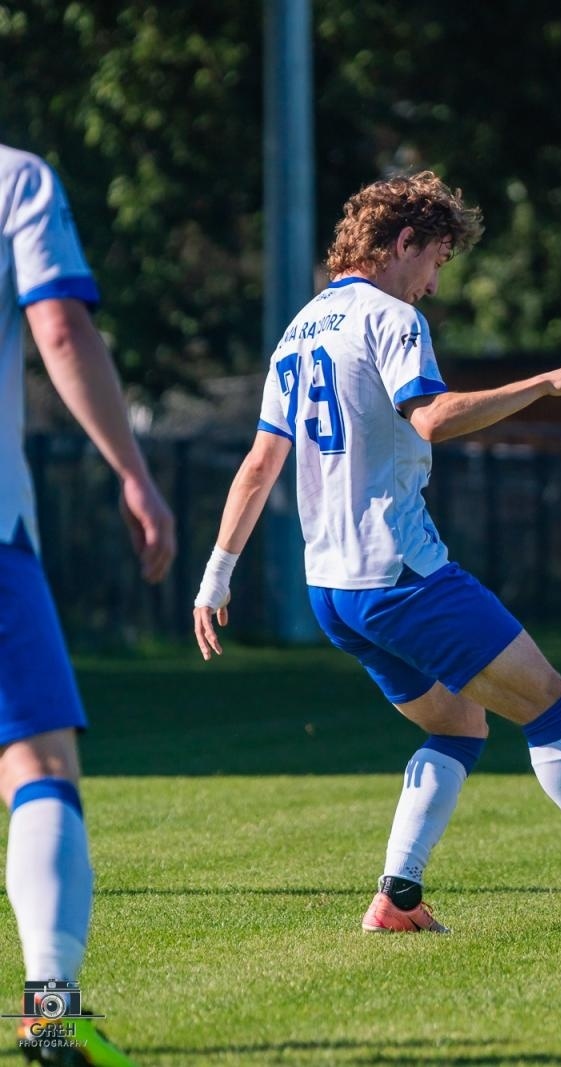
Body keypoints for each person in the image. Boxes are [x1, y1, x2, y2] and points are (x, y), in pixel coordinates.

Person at [191, 171, 561, 931]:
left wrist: (214, 575)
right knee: (552, 701)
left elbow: (259, 464)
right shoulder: (390, 317)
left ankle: (397, 898)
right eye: (436, 262)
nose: (432, 283)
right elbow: (434, 417)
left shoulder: (300, 330)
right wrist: (547, 380)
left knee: (457, 724)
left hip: (334, 588)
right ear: (404, 243)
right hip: (399, 573)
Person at [2, 141, 172, 1065]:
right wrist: (134, 474)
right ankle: (52, 1013)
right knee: (39, 767)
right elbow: (59, 329)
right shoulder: (15, 179)